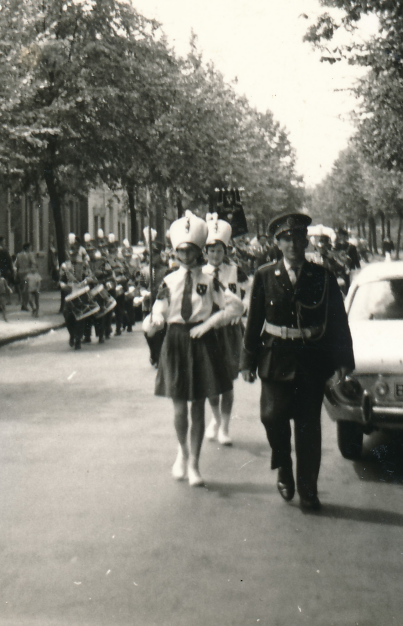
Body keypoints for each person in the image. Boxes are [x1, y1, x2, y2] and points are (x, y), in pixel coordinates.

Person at [241, 212, 355, 511]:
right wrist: (247, 361)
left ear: (306, 241)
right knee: (271, 417)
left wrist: (344, 360)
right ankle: (282, 463)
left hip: (310, 360)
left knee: (307, 427)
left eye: (298, 239)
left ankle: (308, 489)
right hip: (275, 357)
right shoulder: (265, 276)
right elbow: (254, 321)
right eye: (286, 239)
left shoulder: (323, 276)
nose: (293, 245)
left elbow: (338, 322)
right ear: (277, 243)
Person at [144, 214, 243, 488]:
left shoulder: (210, 281)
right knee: (179, 408)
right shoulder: (169, 280)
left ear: (199, 252)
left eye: (190, 251)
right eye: (180, 251)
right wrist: (156, 319)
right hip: (175, 342)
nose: (185, 256)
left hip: (201, 343)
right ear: (174, 252)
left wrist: (210, 323)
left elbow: (234, 307)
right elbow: (160, 307)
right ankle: (182, 452)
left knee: (198, 405)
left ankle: (195, 464)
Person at [203, 215, 249, 446]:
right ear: (205, 252)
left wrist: (244, 308)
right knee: (211, 381)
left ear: (225, 250)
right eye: (211, 251)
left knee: (227, 381)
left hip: (229, 331)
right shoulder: (199, 273)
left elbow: (250, 290)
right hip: (210, 330)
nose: (215, 255)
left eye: (219, 250)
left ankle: (225, 427)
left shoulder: (235, 271)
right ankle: (215, 418)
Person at [14, 242, 37, 311]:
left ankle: (24, 304)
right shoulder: (30, 254)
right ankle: (25, 305)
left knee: (23, 289)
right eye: (30, 248)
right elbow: (34, 263)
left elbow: (16, 264)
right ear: (27, 248)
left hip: (20, 273)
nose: (31, 249)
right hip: (28, 273)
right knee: (27, 289)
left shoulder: (18, 255)